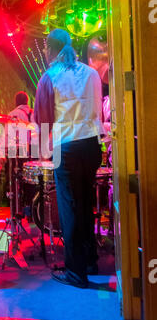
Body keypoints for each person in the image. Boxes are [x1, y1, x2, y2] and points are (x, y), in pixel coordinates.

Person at [34, 29, 105, 288]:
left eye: (45, 48)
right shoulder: (93, 73)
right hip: (92, 146)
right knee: (87, 204)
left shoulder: (49, 77)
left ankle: (76, 274)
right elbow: (97, 109)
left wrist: (43, 152)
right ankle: (89, 261)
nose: (44, 53)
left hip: (67, 148)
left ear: (53, 50)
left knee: (70, 209)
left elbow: (43, 120)